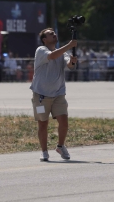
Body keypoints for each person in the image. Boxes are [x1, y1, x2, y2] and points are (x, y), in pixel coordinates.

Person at [30, 27, 78, 162]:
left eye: (54, 33)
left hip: (58, 94)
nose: (54, 35)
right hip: (41, 96)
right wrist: (69, 45)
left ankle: (60, 146)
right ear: (44, 40)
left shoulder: (62, 53)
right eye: (51, 34)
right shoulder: (41, 50)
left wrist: (72, 61)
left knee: (64, 121)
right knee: (43, 123)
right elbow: (51, 56)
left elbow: (70, 65)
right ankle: (44, 151)